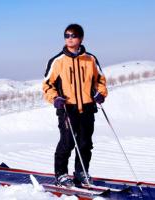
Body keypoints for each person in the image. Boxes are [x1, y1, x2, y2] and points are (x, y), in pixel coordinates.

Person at [42, 24, 108, 187]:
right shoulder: (57, 61)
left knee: (85, 143)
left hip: (87, 107)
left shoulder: (90, 59)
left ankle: (81, 172)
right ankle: (61, 174)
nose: (70, 38)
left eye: (74, 35)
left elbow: (100, 80)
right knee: (67, 142)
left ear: (81, 38)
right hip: (67, 108)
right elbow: (47, 85)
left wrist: (101, 94)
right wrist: (55, 98)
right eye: (67, 35)